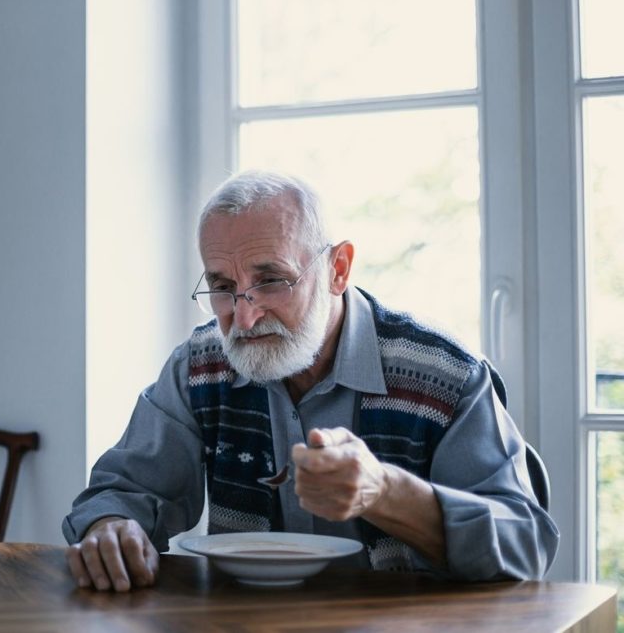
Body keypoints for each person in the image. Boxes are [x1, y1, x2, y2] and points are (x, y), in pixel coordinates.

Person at [62, 169, 559, 592]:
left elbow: (525, 546)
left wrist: (384, 491)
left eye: (271, 280)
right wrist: (111, 527)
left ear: (337, 269)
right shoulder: (200, 366)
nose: (245, 316)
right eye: (221, 286)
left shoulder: (444, 376)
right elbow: (121, 489)